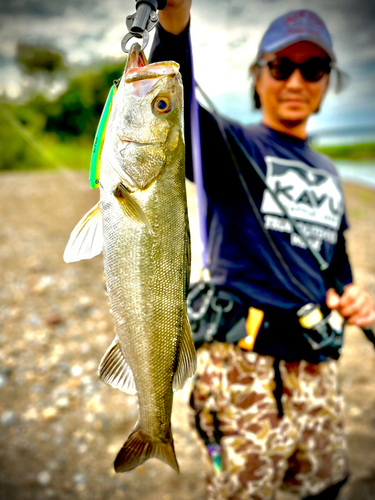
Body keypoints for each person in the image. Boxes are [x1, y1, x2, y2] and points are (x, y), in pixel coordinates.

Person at [149, 2, 375, 499]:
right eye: (281, 66)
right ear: (258, 76)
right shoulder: (230, 144)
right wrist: (174, 22)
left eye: (312, 68)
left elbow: (335, 263)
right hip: (241, 367)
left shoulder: (330, 172)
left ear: (325, 82)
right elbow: (170, 102)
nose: (296, 81)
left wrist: (351, 294)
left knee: (323, 485)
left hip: (317, 366)